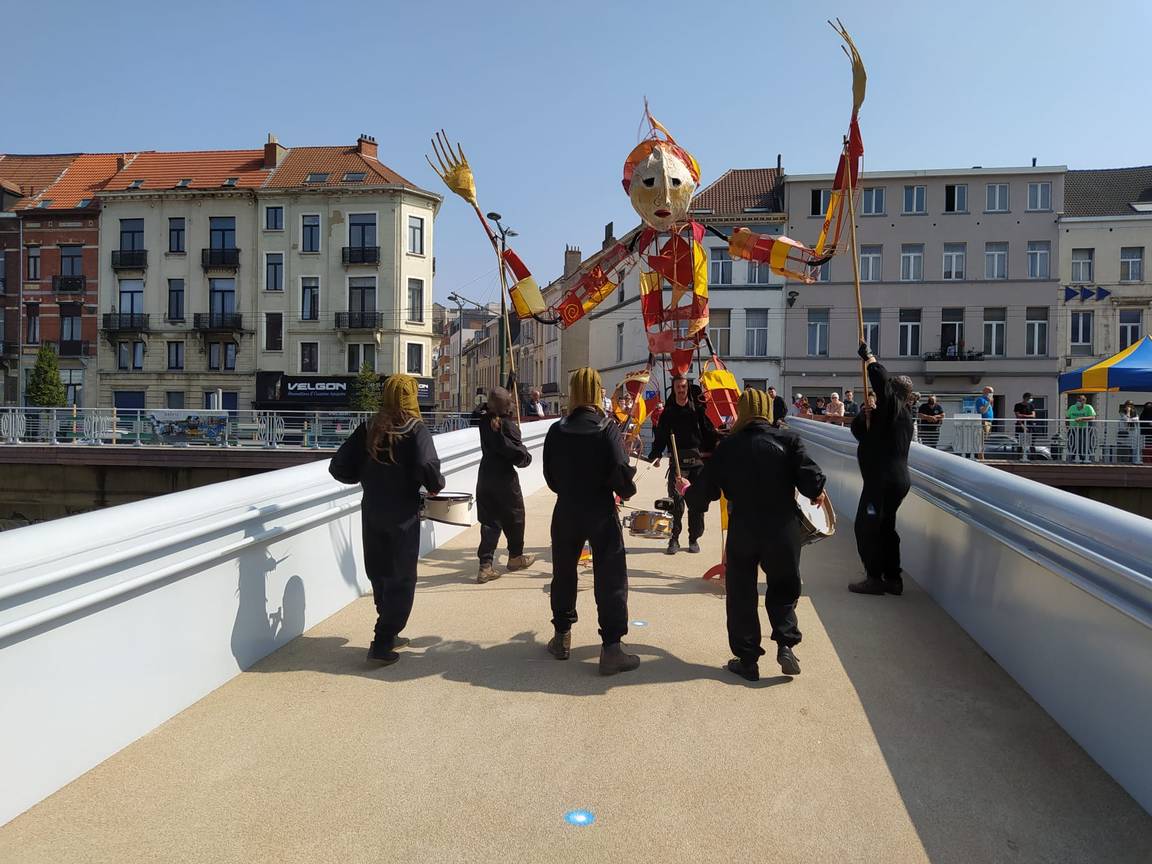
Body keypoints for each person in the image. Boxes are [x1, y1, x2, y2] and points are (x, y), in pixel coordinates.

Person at [681, 389, 827, 680]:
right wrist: (817, 492)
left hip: (744, 528)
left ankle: (748, 660)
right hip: (782, 527)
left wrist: (685, 488)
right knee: (784, 587)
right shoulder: (789, 440)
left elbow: (701, 497)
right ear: (768, 411)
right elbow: (813, 481)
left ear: (743, 411)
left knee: (741, 592)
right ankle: (786, 645)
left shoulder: (728, 446)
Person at [329, 375, 446, 666]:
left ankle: (389, 631)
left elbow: (339, 466)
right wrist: (434, 484)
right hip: (402, 514)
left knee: (380, 573)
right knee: (401, 578)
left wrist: (365, 477)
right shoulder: (415, 429)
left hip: (371, 510)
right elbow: (427, 466)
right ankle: (382, 641)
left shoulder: (369, 426)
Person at [543, 367, 641, 676]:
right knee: (610, 577)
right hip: (600, 510)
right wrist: (626, 487)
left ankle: (561, 636)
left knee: (564, 572)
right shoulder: (606, 428)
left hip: (567, 509)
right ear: (597, 391)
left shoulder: (557, 429)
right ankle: (611, 647)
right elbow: (620, 474)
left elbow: (550, 476)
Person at [849, 341, 915, 596]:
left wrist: (870, 359)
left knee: (866, 527)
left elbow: (882, 382)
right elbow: (860, 433)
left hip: (881, 482)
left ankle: (874, 578)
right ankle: (893, 578)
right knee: (886, 527)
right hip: (895, 481)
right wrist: (865, 413)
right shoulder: (897, 417)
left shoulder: (894, 409)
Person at [647, 375, 718, 554]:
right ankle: (674, 538)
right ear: (674, 389)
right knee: (676, 504)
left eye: (684, 387)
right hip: (677, 463)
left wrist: (717, 447)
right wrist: (655, 454)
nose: (681, 390)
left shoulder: (698, 410)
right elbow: (661, 436)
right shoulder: (668, 413)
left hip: (697, 463)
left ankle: (694, 538)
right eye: (678, 387)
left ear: (687, 388)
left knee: (697, 504)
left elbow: (709, 431)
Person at [476, 387, 535, 584]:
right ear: (507, 406)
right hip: (504, 479)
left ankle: (485, 565)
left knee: (489, 522)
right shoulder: (507, 427)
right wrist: (523, 451)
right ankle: (515, 557)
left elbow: (486, 409)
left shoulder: (484, 422)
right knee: (515, 517)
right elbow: (520, 458)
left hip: (485, 476)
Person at [1066, 394, 1096, 462]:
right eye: (1078, 400)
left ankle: (1084, 458)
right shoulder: (1072, 407)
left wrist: (1082, 418)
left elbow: (1092, 417)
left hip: (1084, 428)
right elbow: (1067, 417)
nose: (1079, 401)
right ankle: (1073, 457)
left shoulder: (1088, 407)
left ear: (1084, 401)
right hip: (1073, 428)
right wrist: (1067, 427)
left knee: (1083, 443)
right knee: (1073, 442)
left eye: (1081, 400)